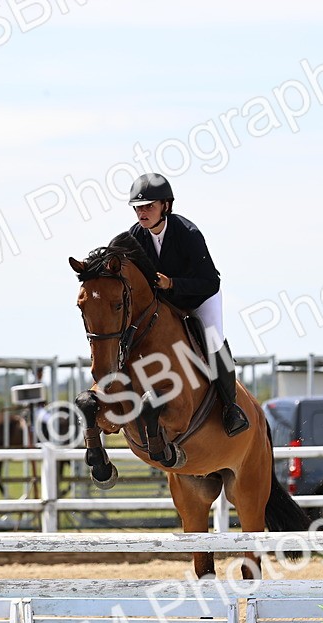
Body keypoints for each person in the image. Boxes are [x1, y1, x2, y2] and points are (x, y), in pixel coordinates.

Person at [127, 173, 249, 436]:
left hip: (198, 298)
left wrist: (172, 284)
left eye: (148, 206)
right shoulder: (134, 237)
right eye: (138, 207)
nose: (142, 212)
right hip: (164, 303)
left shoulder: (188, 234)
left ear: (166, 206)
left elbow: (210, 282)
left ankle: (231, 408)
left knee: (213, 340)